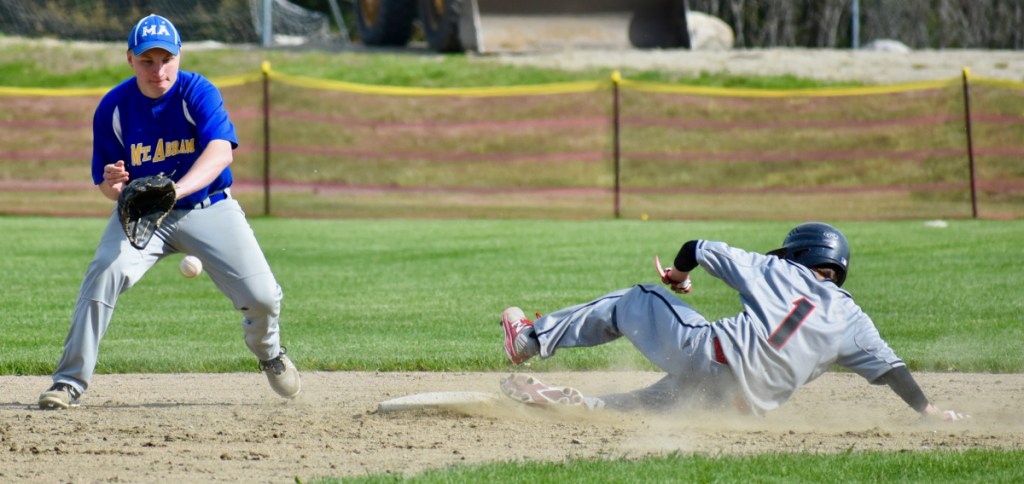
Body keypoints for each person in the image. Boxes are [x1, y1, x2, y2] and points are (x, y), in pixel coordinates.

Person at [38, 14, 300, 409]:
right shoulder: (114, 107)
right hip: (142, 216)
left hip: (206, 207)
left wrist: (176, 190)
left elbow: (220, 151)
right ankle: (68, 382)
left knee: (262, 298)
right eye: (147, 60)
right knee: (103, 274)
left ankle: (269, 352)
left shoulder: (198, 91)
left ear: (179, 57)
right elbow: (109, 186)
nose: (158, 70)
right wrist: (114, 183)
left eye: (166, 59)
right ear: (130, 59)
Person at [499, 222, 967, 420]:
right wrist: (927, 410)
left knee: (635, 299)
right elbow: (893, 371)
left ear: (802, 255)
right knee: (660, 401)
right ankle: (587, 409)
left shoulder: (782, 269)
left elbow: (697, 246)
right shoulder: (853, 317)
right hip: (743, 403)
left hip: (707, 354)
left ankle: (529, 340)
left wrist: (678, 278)